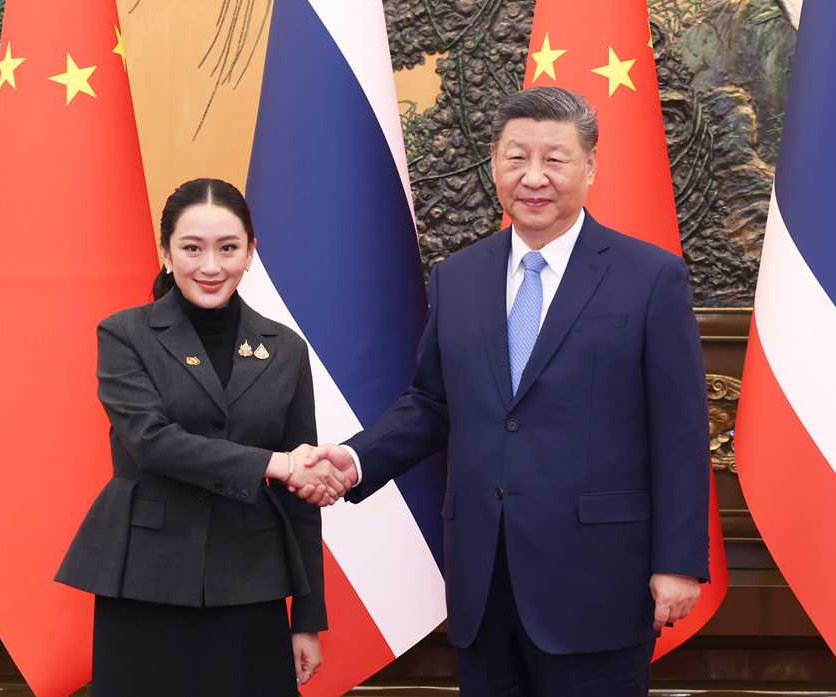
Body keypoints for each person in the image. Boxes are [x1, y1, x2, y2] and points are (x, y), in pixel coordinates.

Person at [299, 88, 711, 696]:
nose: (534, 177)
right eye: (517, 158)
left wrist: (677, 562)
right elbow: (433, 402)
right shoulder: (458, 276)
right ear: (494, 162)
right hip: (483, 583)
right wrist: (357, 458)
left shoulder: (650, 277)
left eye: (556, 158)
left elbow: (679, 430)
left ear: (591, 166)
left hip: (599, 584)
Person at [56, 178, 349, 696]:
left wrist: (306, 618)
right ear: (165, 252)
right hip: (145, 582)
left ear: (250, 254)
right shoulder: (125, 335)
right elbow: (151, 442)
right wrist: (274, 463)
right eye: (192, 248)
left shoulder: (285, 349)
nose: (210, 266)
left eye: (228, 248)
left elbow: (302, 499)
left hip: (251, 584)